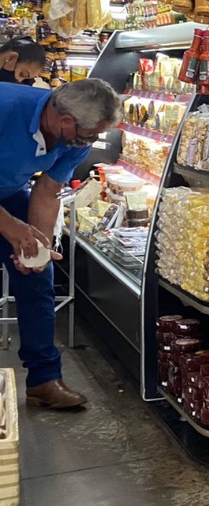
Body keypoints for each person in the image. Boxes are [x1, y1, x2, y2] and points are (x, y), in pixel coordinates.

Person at [0, 78, 121, 409]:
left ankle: (43, 380)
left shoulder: (74, 138)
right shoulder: (5, 107)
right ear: (65, 120)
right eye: (90, 135)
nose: (90, 142)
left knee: (39, 276)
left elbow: (47, 189)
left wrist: (35, 247)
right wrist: (11, 227)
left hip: (8, 194)